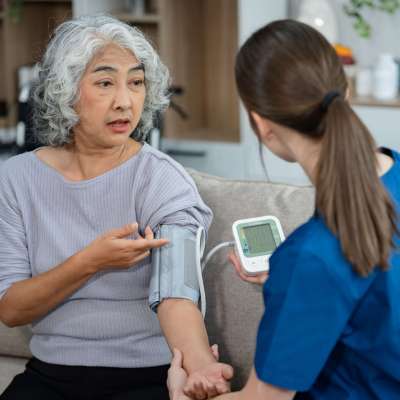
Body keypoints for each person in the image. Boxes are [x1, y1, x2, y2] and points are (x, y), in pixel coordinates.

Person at [0, 15, 233, 400]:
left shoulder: (162, 180)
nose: (126, 101)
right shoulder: (18, 179)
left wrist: (200, 365)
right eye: (105, 82)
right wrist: (90, 261)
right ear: (66, 90)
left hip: (146, 377)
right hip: (50, 374)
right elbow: (11, 308)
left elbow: (178, 293)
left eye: (137, 83)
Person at [167, 19, 400, 400]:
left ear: (261, 124)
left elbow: (263, 399)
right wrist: (292, 287)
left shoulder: (311, 257)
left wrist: (178, 394)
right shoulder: (312, 260)